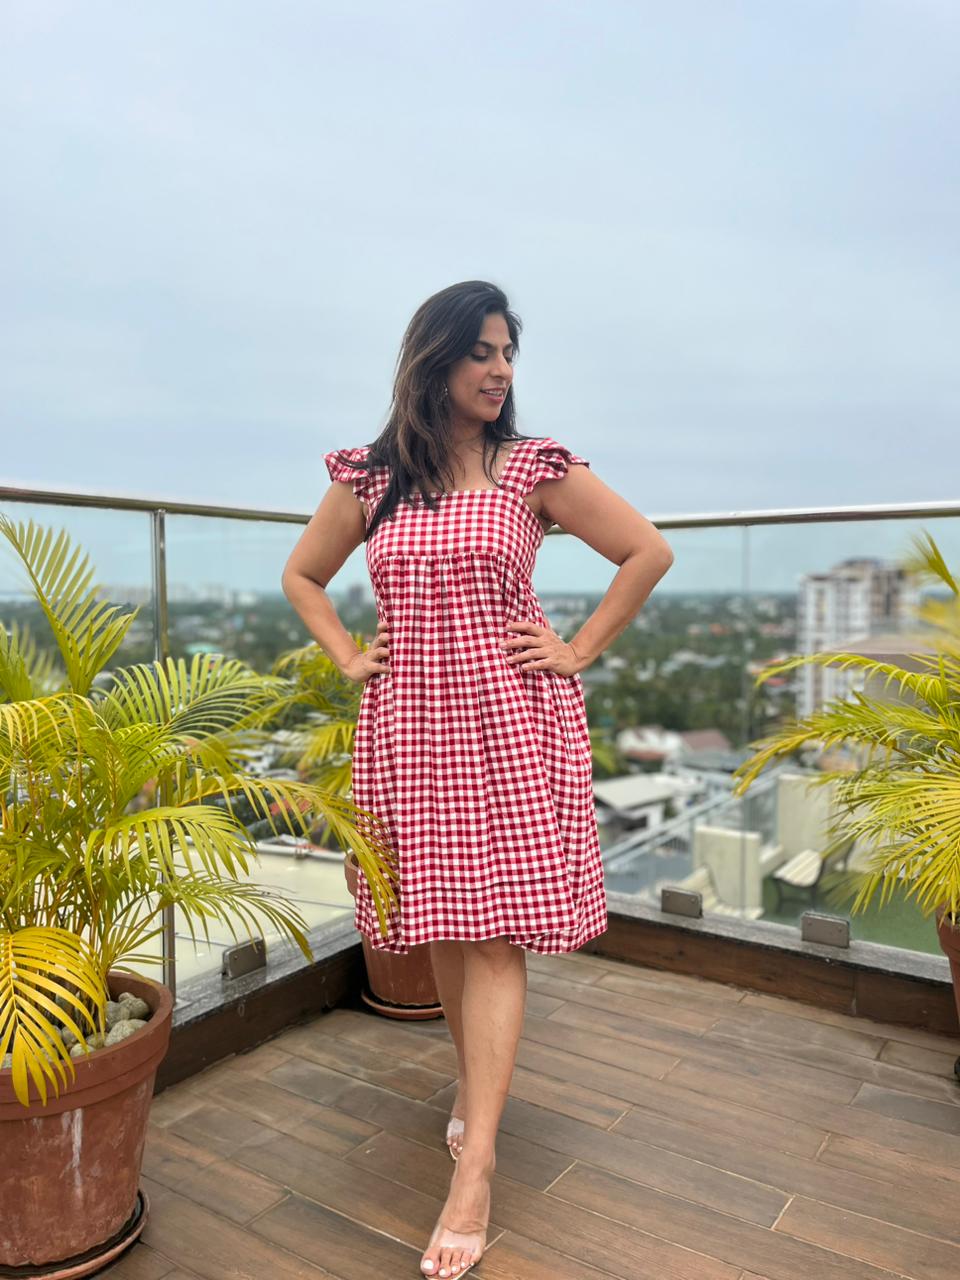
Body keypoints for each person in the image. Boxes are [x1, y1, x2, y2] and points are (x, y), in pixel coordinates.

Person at [281, 280, 674, 1278]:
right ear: (435, 361)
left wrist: (577, 644)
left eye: (508, 353)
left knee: (493, 927)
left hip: (507, 718)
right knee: (444, 924)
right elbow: (304, 574)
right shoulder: (373, 477)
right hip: (409, 725)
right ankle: (471, 1088)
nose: (500, 371)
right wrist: (343, 652)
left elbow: (646, 549)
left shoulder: (532, 468)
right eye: (481, 352)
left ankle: (479, 1165)